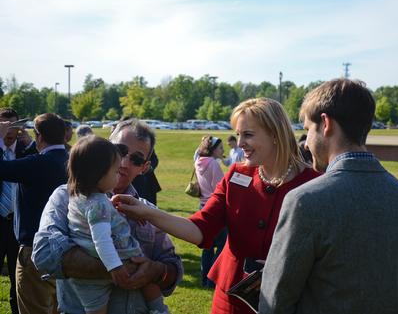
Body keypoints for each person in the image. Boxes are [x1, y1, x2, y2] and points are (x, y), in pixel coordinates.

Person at [113, 98, 320, 313]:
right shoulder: (236, 175)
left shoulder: (314, 184)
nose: (239, 144)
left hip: (287, 300)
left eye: (248, 135)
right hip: (231, 298)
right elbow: (200, 229)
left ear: (275, 134)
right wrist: (147, 212)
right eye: (238, 135)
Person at [259, 79, 398, 314]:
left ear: (325, 124)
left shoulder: (304, 201)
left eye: (308, 130)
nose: (305, 143)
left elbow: (275, 301)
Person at [32, 118, 183, 314]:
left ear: (144, 167)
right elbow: (44, 254)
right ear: (105, 148)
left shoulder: (147, 211)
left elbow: (173, 268)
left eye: (136, 159)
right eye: (119, 150)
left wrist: (156, 271)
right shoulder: (67, 197)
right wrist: (115, 268)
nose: (124, 162)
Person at [66, 135, 168, 314]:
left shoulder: (81, 197)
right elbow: (102, 239)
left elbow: (95, 218)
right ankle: (158, 308)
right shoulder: (97, 203)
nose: (120, 170)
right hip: (120, 259)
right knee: (145, 273)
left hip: (86, 281)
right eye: (114, 172)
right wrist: (115, 266)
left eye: (135, 159)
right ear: (98, 174)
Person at [0, 113, 69, 314]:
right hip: (64, 247)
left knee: (33, 309)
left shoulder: (37, 163)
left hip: (34, 250)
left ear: (39, 136)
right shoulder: (70, 159)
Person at [0, 108, 35, 314]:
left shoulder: (27, 150)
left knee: (18, 279)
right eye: (3, 125)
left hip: (19, 223)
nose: (9, 131)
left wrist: (30, 144)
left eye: (12, 125)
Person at [194, 135, 227, 288]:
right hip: (215, 207)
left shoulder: (198, 161)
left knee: (207, 246)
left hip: (202, 206)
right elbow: (220, 188)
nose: (223, 150)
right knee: (222, 244)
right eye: (220, 148)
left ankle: (204, 279)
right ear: (213, 150)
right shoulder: (213, 163)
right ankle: (212, 281)